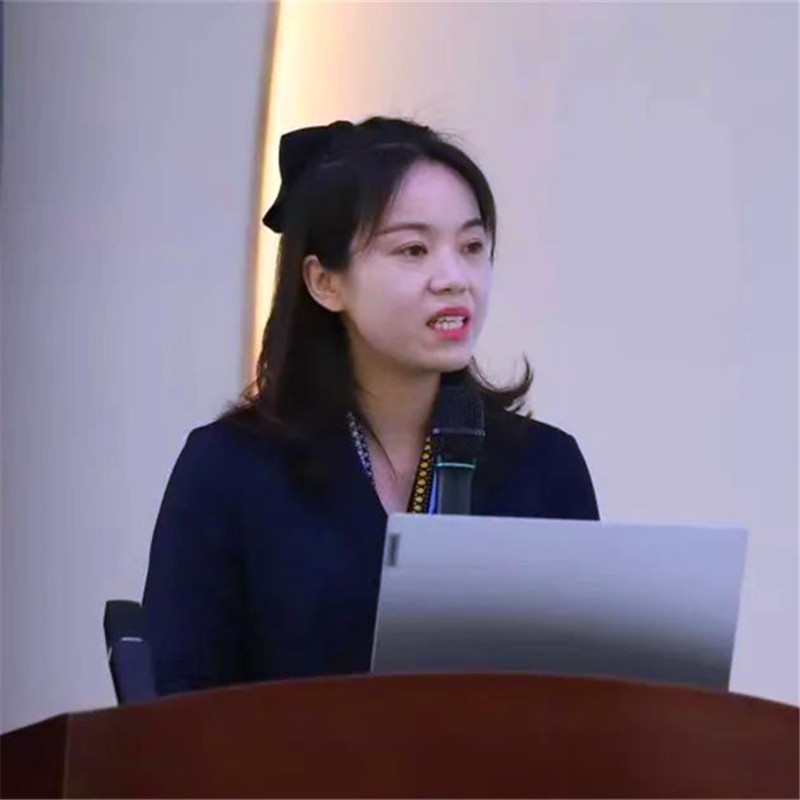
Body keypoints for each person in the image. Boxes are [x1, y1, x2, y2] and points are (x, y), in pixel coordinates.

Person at [142, 116, 599, 696]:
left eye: (472, 247)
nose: (454, 279)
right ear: (325, 282)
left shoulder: (545, 466)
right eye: (413, 250)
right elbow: (174, 704)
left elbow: (588, 700)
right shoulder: (230, 469)